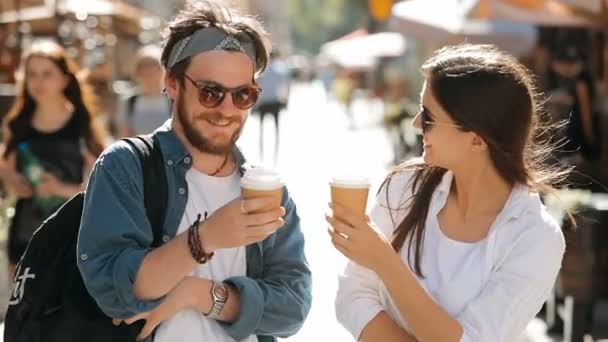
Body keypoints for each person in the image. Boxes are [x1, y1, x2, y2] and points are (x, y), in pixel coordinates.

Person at [77, 1, 312, 341]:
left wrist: (202, 296)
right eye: (210, 92)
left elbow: (292, 309)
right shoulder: (126, 166)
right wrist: (205, 238)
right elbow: (115, 292)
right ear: (172, 84)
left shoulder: (264, 188)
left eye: (243, 94)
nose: (227, 109)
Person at [329, 44, 567, 341]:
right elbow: (352, 296)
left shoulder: (536, 239)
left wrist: (385, 261)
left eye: (428, 117)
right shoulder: (405, 187)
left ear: (477, 140)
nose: (416, 124)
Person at [0, 40, 107, 277]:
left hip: (73, 236)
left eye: (47, 74)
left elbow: (101, 187)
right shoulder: (17, 125)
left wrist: (61, 188)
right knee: (23, 310)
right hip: (24, 234)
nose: (38, 82)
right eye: (32, 74)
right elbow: (7, 173)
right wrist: (16, 183)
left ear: (65, 79)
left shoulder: (82, 125)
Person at [115, 45, 171, 137]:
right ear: (137, 70)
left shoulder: (174, 100)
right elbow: (124, 136)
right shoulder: (129, 102)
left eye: (154, 64)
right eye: (144, 65)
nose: (149, 70)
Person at [252, 50, 290, 164]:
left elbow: (255, 87)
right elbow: (285, 86)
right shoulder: (279, 71)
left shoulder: (261, 72)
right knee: (276, 126)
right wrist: (286, 100)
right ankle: (276, 146)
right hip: (275, 102)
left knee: (261, 127)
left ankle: (262, 148)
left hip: (264, 102)